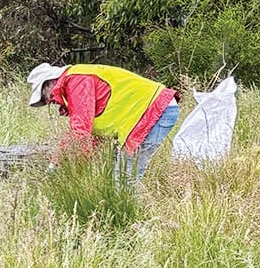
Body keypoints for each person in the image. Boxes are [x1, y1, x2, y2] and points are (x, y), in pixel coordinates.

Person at [27, 62, 179, 183]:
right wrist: (74, 170)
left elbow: (80, 131)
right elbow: (93, 138)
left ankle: (132, 213)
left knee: (125, 180)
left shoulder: (77, 80)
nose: (48, 102)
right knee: (121, 178)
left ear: (50, 83)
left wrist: (55, 164)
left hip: (155, 110)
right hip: (152, 112)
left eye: (44, 97)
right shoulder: (75, 83)